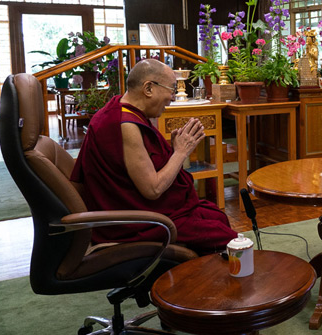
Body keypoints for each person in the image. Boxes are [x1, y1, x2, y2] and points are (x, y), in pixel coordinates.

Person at [70, 59, 238, 255]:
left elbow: (139, 165)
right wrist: (181, 152)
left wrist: (172, 149)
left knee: (215, 216)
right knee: (230, 240)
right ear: (148, 88)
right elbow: (153, 189)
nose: (172, 97)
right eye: (172, 89)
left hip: (146, 211)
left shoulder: (121, 110)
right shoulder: (125, 125)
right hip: (135, 223)